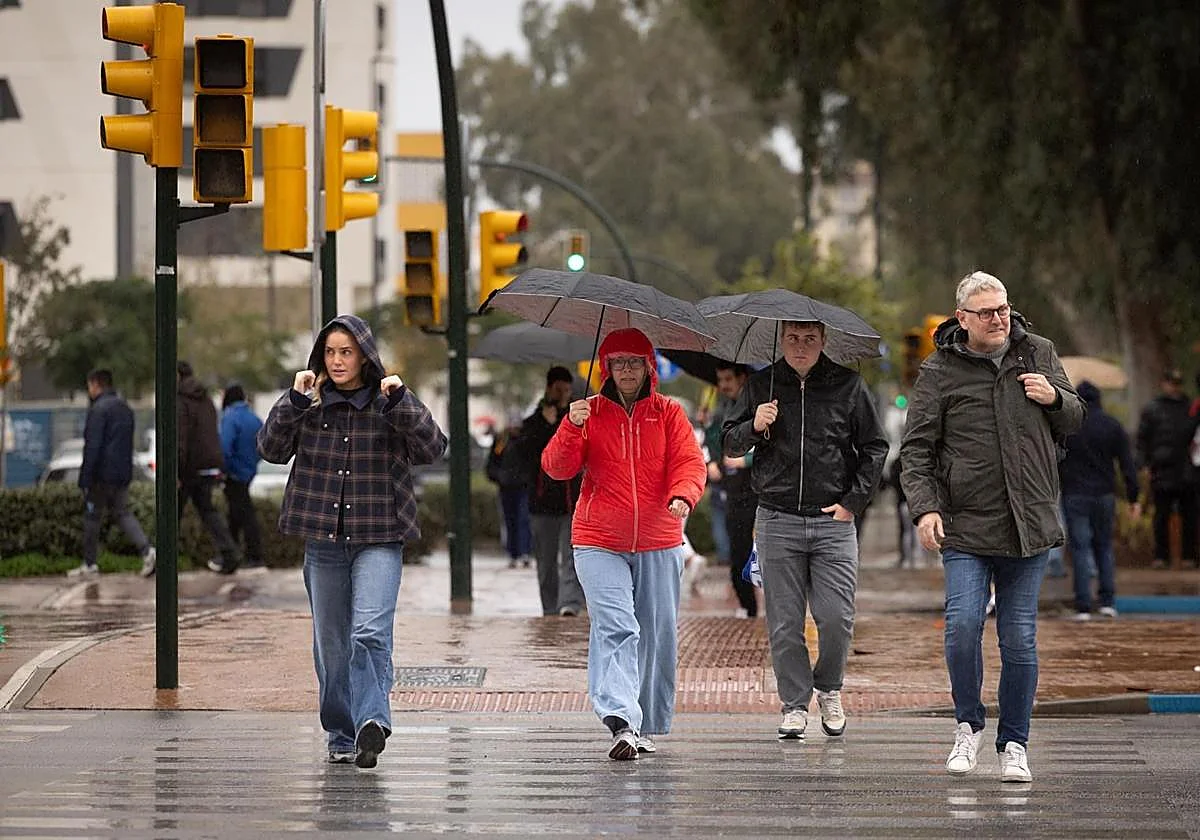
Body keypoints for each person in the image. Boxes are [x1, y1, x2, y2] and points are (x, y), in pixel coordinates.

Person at [900, 270, 1083, 783]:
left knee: (1019, 638)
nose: (999, 319)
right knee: (962, 627)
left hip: (1028, 523)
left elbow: (1075, 420)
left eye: (1003, 308)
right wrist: (926, 509)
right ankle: (968, 725)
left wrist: (1054, 398)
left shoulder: (1038, 353)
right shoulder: (939, 370)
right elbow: (916, 449)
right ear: (963, 318)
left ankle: (1015, 743)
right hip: (966, 524)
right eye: (986, 313)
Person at [257, 314, 447, 768]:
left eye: (347, 352)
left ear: (365, 356)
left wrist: (402, 399)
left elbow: (433, 448)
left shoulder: (388, 403)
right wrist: (293, 399)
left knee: (369, 632)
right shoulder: (309, 405)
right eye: (330, 352)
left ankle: (372, 722)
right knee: (332, 646)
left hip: (379, 538)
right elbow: (270, 449)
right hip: (323, 544)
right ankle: (342, 733)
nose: (338, 361)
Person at [542, 328, 706, 760]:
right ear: (606, 368)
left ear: (649, 367)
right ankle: (621, 719)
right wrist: (570, 427)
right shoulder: (588, 412)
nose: (627, 370)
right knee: (617, 626)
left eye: (635, 362)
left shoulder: (669, 413)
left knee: (654, 634)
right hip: (598, 539)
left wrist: (683, 495)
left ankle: (645, 724)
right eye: (619, 363)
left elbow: (689, 462)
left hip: (659, 537)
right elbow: (556, 468)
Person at [723, 321, 888, 742]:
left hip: (833, 522)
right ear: (782, 340)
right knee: (784, 623)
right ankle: (794, 705)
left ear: (823, 341)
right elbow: (730, 443)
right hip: (777, 520)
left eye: (810, 339)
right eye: (793, 338)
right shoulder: (761, 384)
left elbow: (875, 447)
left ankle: (829, 688)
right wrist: (753, 425)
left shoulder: (848, 385)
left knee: (836, 618)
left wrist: (853, 502)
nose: (801, 346)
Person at [1059, 380, 1141, 620]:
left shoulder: (1069, 426)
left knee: (1080, 548)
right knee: (1104, 546)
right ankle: (1107, 601)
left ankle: (1083, 605)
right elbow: (1127, 464)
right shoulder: (1112, 425)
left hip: (1075, 494)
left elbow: (1057, 459)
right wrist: (1133, 497)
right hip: (1104, 495)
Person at [512, 365, 584, 616]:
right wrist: (545, 424)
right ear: (549, 389)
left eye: (567, 390)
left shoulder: (577, 418)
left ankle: (570, 603)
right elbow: (526, 455)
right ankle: (550, 607)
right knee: (546, 561)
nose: (563, 395)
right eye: (558, 390)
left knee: (572, 557)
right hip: (542, 504)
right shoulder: (533, 421)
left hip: (572, 502)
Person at [72, 369, 156, 578]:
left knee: (92, 517)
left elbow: (93, 446)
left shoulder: (98, 410)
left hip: (100, 475)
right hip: (122, 473)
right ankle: (147, 550)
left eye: (90, 386)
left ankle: (90, 563)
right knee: (122, 513)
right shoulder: (125, 408)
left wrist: (85, 478)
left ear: (96, 384)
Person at [177, 361, 241, 575]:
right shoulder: (205, 399)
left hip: (188, 466)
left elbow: (180, 438)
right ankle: (229, 554)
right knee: (207, 510)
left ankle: (162, 557)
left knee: (171, 513)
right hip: (207, 464)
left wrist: (176, 470)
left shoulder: (181, 401)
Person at [706, 361, 758, 616]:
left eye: (728, 379)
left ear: (742, 378)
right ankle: (748, 607)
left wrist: (746, 460)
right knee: (738, 552)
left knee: (764, 555)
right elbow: (713, 443)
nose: (723, 385)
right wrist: (712, 462)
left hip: (759, 491)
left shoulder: (759, 405)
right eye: (720, 380)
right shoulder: (721, 409)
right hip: (733, 491)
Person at [1136, 368, 1199, 569]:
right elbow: (1142, 439)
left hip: (1186, 469)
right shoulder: (1153, 409)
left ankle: (1189, 556)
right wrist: (1144, 464)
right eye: (1171, 383)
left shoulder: (1190, 408)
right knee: (1161, 515)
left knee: (1189, 515)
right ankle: (1160, 557)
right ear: (1164, 384)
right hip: (1161, 468)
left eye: (1177, 384)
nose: (1174, 388)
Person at [220, 383, 265, 573]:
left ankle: (249, 555)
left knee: (243, 513)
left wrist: (225, 468)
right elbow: (264, 445)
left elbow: (224, 447)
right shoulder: (254, 418)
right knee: (236, 513)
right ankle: (233, 554)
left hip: (234, 473)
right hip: (248, 471)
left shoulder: (230, 417)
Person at [486, 420, 532, 568]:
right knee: (509, 521)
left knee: (523, 520)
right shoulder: (501, 441)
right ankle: (513, 553)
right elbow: (492, 463)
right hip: (506, 487)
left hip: (523, 487)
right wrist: (499, 477)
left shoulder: (525, 440)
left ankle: (525, 552)